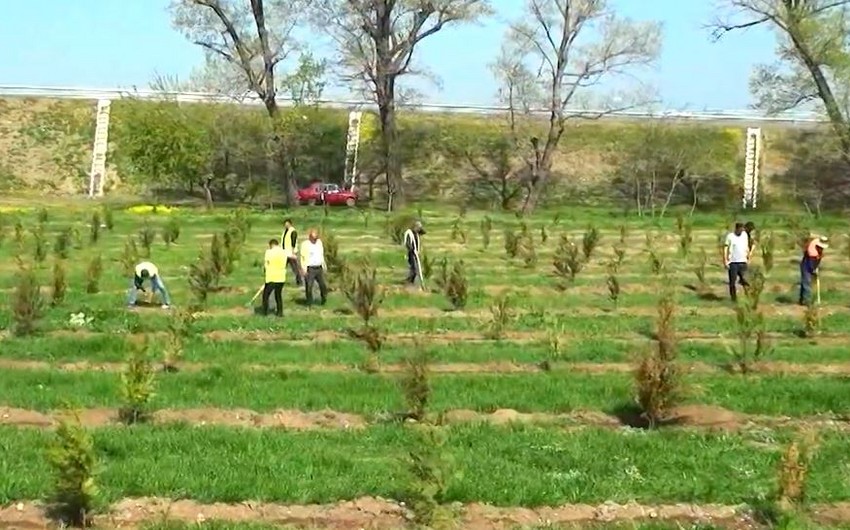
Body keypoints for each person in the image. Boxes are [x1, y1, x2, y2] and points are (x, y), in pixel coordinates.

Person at [299, 228, 328, 306]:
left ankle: (323, 299)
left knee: (323, 285)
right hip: (310, 268)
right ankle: (309, 302)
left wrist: (324, 265)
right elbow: (302, 257)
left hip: (319, 267)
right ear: (310, 237)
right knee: (309, 286)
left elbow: (321, 254)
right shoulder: (305, 244)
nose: (314, 240)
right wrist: (303, 268)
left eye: (316, 238)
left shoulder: (319, 243)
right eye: (313, 238)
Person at [723, 222, 750, 302]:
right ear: (737, 229)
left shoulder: (744, 235)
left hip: (743, 261)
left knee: (745, 280)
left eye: (743, 229)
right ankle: (733, 299)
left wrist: (748, 256)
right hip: (733, 262)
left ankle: (748, 296)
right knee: (732, 282)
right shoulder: (730, 236)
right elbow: (725, 248)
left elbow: (746, 246)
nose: (742, 231)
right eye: (740, 229)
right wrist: (725, 260)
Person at [799, 235, 828, 305]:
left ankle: (802, 300)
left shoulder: (817, 241)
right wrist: (814, 271)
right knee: (807, 283)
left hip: (811, 262)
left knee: (805, 283)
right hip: (806, 265)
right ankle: (807, 301)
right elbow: (811, 266)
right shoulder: (812, 252)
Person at [262, 238, 287, 316]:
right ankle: (280, 312)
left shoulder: (269, 252)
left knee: (266, 295)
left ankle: (265, 312)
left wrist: (265, 271)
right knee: (278, 295)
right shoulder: (283, 252)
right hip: (281, 277)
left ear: (271, 245)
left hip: (271, 277)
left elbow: (266, 265)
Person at [280, 218, 302, 286]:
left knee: (295, 268)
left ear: (290, 224)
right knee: (282, 267)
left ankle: (299, 281)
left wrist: (293, 251)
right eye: (285, 224)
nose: (285, 225)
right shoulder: (285, 231)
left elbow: (293, 241)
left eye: (287, 224)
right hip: (285, 252)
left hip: (290, 252)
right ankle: (280, 280)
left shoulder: (293, 231)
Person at [403, 220, 425, 285]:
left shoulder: (416, 234)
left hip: (415, 253)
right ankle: (409, 282)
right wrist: (411, 249)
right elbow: (408, 243)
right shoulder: (409, 233)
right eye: (418, 228)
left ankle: (410, 281)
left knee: (414, 268)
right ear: (415, 227)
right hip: (411, 253)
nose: (419, 230)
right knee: (414, 268)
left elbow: (424, 232)